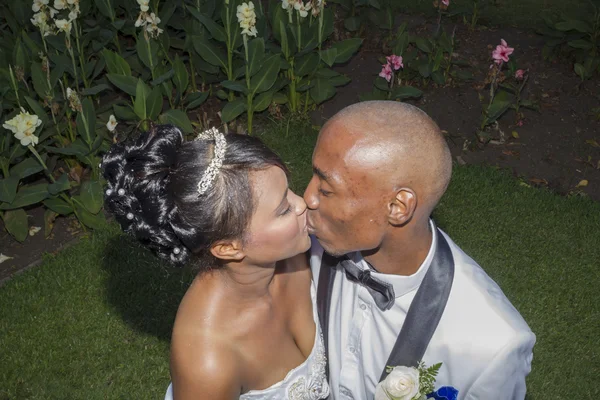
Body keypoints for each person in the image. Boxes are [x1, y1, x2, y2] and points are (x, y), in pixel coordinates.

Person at [304, 101, 536, 400]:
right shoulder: (302, 243)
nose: (306, 198)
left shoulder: (492, 346)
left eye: (325, 189)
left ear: (398, 207)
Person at [101, 125, 329, 400]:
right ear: (228, 248)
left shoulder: (291, 253)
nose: (302, 204)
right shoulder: (207, 363)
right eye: (283, 210)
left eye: (289, 190)